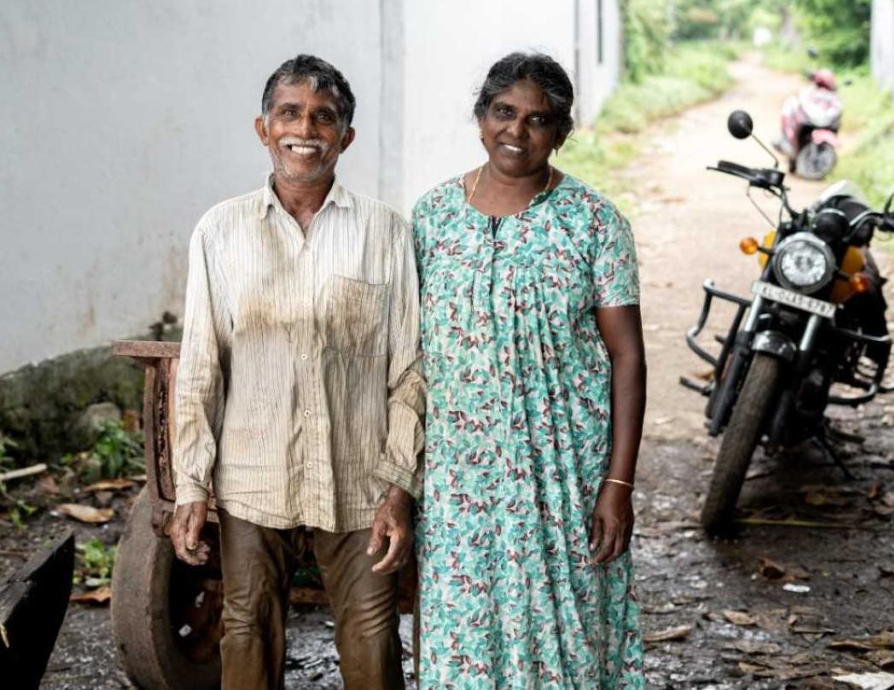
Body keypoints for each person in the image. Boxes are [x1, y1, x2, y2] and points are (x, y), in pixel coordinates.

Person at [168, 54, 424, 690]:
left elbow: (410, 368)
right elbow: (201, 365)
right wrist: (192, 484)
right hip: (253, 474)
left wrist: (399, 483)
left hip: (360, 477)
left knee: (372, 636)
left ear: (345, 136)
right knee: (246, 629)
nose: (304, 128)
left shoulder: (387, 233)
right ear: (264, 128)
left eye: (323, 117)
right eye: (289, 113)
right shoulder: (219, 231)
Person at [413, 52, 646, 687]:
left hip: (563, 471)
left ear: (562, 132)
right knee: (464, 637)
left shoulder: (595, 223)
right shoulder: (432, 218)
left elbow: (627, 356)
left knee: (567, 640)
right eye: (503, 113)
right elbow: (408, 358)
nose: (516, 132)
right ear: (481, 117)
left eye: (538, 120)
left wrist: (617, 486)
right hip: (460, 480)